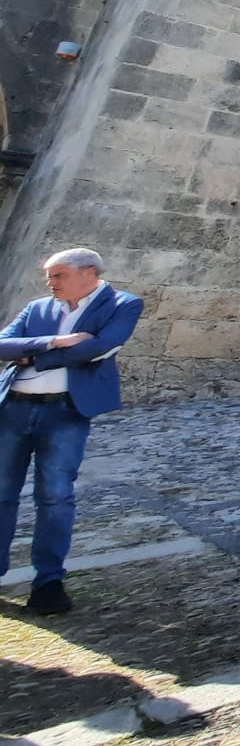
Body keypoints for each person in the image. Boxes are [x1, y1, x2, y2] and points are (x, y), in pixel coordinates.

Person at [1, 247, 146, 615]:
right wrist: (52, 342)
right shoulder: (37, 308)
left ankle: (48, 583)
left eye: (58, 275)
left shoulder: (122, 304)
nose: (51, 283)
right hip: (14, 408)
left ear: (88, 274)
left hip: (65, 412)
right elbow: (3, 344)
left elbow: (99, 348)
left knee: (55, 496)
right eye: (50, 277)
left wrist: (34, 357)